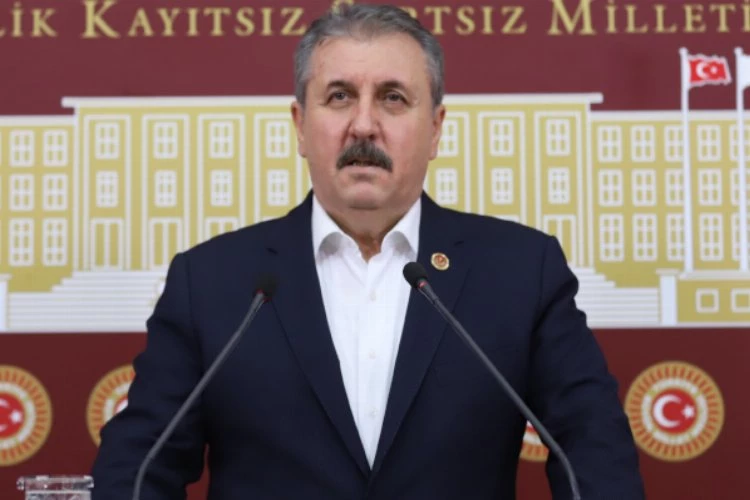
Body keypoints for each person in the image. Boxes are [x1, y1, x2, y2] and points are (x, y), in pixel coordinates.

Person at [91, 4, 645, 499]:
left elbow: (592, 450)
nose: (363, 125)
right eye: (339, 97)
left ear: (435, 129)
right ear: (300, 126)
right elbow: (139, 468)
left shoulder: (520, 271)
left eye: (392, 98)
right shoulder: (213, 281)